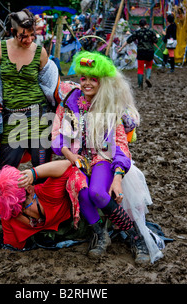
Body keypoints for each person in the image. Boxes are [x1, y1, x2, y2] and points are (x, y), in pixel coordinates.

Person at [51, 51, 152, 263]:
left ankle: (135, 236)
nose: (87, 83)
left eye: (93, 79)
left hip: (102, 159)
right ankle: (100, 234)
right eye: (83, 78)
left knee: (97, 193)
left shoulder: (110, 105)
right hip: (75, 160)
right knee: (83, 193)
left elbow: (121, 145)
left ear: (101, 82)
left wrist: (117, 178)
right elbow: (57, 136)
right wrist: (69, 154)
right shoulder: (68, 101)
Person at [0, 8, 60, 169]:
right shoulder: (0, 48)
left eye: (32, 35)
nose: (29, 39)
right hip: (12, 117)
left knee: (41, 171)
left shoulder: (40, 52)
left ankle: (35, 195)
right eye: (23, 35)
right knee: (4, 170)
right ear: (12, 31)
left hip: (39, 117)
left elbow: (52, 84)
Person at [0, 159, 86, 249]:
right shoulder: (9, 217)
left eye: (24, 206)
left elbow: (67, 165)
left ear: (30, 190)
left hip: (77, 221)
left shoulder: (49, 193)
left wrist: (34, 173)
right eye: (16, 210)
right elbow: (13, 246)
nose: (21, 213)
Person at [117, 18, 158, 89]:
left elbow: (128, 40)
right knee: (149, 66)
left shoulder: (137, 32)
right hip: (149, 52)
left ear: (139, 25)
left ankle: (140, 85)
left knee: (140, 68)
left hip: (141, 52)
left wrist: (120, 48)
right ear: (146, 24)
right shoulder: (151, 32)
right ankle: (147, 77)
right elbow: (156, 40)